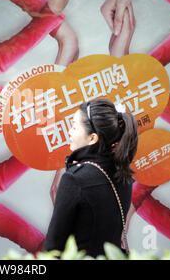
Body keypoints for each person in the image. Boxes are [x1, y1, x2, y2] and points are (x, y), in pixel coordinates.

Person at [44, 98, 138, 257]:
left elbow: (53, 247)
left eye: (74, 127)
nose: (69, 132)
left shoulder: (75, 179)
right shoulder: (123, 174)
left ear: (92, 138)